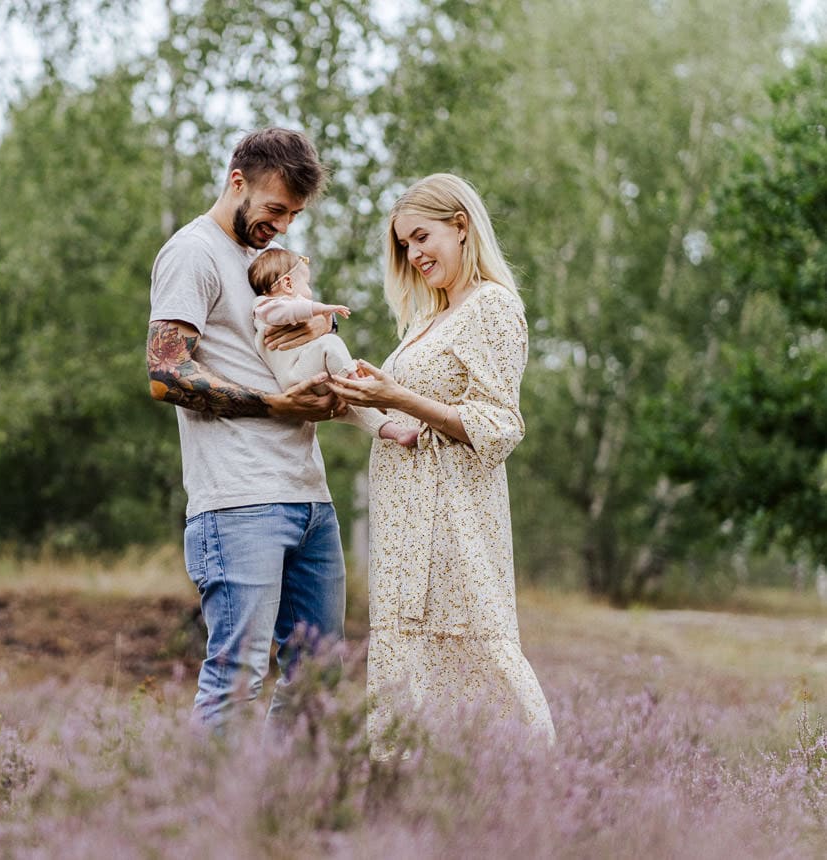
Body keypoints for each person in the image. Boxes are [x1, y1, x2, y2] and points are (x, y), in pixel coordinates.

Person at [326, 172, 555, 752]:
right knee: (409, 661)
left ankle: (533, 800)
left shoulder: (492, 307)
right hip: (404, 529)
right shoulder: (429, 319)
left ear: (461, 226)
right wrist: (359, 400)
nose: (414, 254)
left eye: (422, 237)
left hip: (454, 523)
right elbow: (406, 420)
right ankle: (410, 805)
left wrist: (396, 396)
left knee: (477, 650)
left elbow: (499, 424)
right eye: (405, 244)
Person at [147, 127, 347, 731]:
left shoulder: (265, 265)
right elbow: (165, 372)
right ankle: (218, 823)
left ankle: (283, 812)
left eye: (293, 215)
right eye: (275, 209)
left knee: (319, 671)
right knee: (238, 678)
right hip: (238, 502)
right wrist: (274, 405)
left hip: (310, 497)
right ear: (237, 183)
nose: (282, 225)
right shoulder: (193, 252)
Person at [247, 249, 414, 443]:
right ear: (288, 284)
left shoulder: (274, 307)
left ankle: (395, 432)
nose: (310, 294)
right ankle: (356, 382)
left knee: (352, 405)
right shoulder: (266, 307)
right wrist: (324, 310)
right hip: (296, 376)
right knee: (330, 344)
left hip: (307, 372)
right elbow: (292, 310)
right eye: (307, 284)